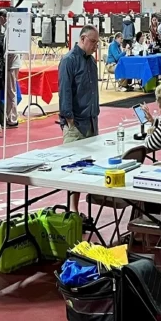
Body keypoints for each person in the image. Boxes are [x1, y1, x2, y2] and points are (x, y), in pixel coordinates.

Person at [58, 25, 101, 211]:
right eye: (93, 42)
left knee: (89, 169)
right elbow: (64, 92)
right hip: (76, 125)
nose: (95, 46)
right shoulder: (68, 61)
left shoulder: (91, 62)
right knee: (74, 170)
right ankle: (73, 210)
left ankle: (81, 210)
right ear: (82, 39)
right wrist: (69, 120)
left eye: (97, 43)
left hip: (91, 122)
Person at [0, 9, 21, 127]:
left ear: (2, 17)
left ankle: (13, 118)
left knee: (11, 91)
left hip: (11, 64)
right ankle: (9, 115)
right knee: (9, 91)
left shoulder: (10, 29)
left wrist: (4, 61)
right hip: (12, 64)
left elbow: (11, 50)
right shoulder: (8, 28)